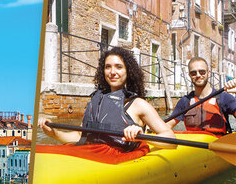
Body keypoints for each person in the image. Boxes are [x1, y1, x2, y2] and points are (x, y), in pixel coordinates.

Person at [39, 46, 176, 150]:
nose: (112, 72)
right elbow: (78, 136)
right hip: (92, 154)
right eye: (107, 67)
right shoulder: (95, 102)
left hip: (119, 160)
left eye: (119, 67)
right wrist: (54, 133)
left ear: (128, 72)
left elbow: (171, 139)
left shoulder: (138, 104)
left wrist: (142, 136)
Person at [166, 57, 236, 135]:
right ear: (189, 75)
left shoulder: (224, 98)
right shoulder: (185, 101)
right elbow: (166, 126)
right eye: (193, 73)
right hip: (194, 145)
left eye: (202, 72)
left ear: (208, 73)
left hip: (217, 145)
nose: (198, 75)